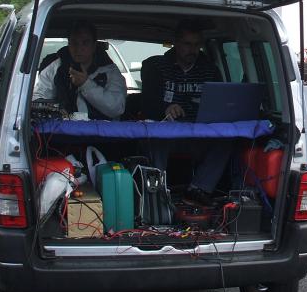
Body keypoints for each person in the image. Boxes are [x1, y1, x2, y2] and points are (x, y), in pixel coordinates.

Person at [141, 19, 231, 206]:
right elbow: (147, 103)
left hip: (200, 135)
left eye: (197, 45)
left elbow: (222, 103)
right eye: (187, 44)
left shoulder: (210, 71)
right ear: (176, 43)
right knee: (155, 136)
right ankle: (155, 194)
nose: (192, 50)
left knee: (227, 140)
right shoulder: (156, 67)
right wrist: (165, 109)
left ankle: (198, 189)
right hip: (167, 134)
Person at [33, 21, 127, 120]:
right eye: (74, 43)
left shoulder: (110, 71)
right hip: (63, 127)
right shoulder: (55, 67)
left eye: (85, 43)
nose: (79, 48)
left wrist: (86, 84)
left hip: (102, 128)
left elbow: (116, 108)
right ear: (69, 44)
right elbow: (39, 100)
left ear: (94, 45)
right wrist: (57, 110)